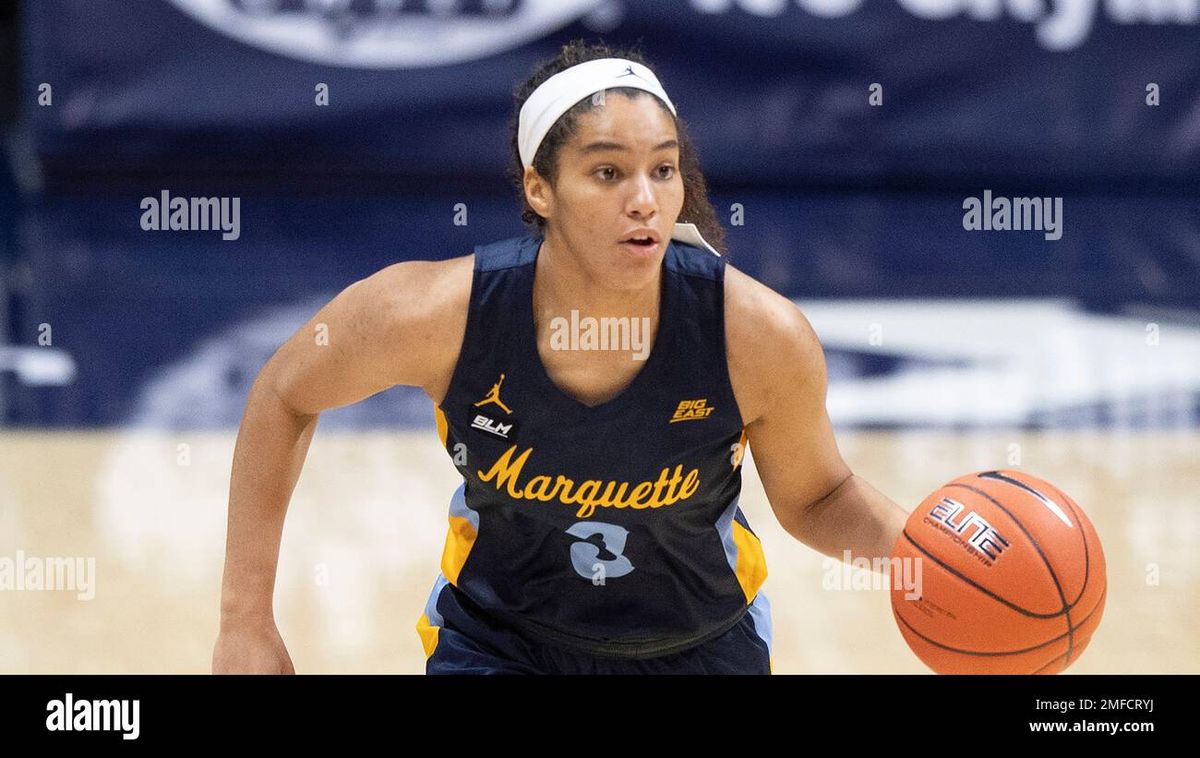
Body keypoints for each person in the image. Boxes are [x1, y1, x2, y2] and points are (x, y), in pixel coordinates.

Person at [212, 40, 909, 675]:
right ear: (538, 188)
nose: (645, 200)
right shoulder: (432, 315)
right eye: (608, 172)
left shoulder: (756, 335)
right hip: (497, 639)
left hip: (700, 646)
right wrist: (244, 620)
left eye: (662, 170)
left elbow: (820, 497)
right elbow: (284, 393)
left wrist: (932, 565)